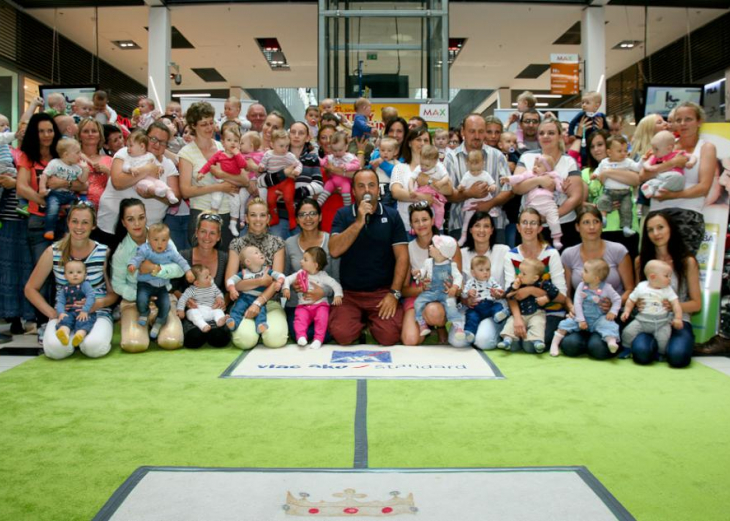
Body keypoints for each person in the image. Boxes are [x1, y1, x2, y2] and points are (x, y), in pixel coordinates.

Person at [25, 202, 116, 359]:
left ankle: (84, 338)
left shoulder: (104, 252)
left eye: (85, 222)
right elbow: (30, 288)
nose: (79, 227)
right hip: (64, 314)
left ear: (93, 226)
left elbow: (114, 294)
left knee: (93, 347)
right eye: (74, 221)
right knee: (56, 350)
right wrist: (52, 313)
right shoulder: (53, 252)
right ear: (68, 223)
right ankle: (69, 337)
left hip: (97, 313)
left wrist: (97, 304)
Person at [328, 169, 408, 346]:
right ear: (354, 191)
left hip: (381, 293)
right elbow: (334, 250)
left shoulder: (392, 216)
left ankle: (372, 322)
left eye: (372, 185)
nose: (367, 190)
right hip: (349, 294)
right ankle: (359, 322)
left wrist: (394, 294)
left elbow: (403, 258)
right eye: (361, 186)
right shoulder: (343, 215)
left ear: (379, 190)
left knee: (389, 337)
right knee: (342, 335)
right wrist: (358, 222)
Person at [559, 205, 635, 359]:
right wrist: (572, 307)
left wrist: (614, 304)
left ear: (602, 225)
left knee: (598, 349)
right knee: (569, 346)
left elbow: (630, 289)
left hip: (609, 316)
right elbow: (566, 294)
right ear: (577, 227)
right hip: (582, 315)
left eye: (596, 221)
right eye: (586, 222)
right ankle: (586, 337)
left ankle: (601, 339)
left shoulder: (618, 250)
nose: (592, 227)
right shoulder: (568, 254)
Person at [627, 210, 701, 368]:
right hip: (648, 320)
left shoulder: (687, 261)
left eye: (660, 227)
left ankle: (673, 346)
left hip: (678, 321)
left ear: (671, 229)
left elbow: (696, 304)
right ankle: (658, 348)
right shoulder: (641, 261)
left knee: (678, 357)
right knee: (640, 353)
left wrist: (673, 306)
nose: (656, 233)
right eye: (650, 230)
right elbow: (637, 294)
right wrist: (638, 304)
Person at [111, 198, 185, 353]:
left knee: (171, 341)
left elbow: (180, 268)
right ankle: (138, 323)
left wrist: (156, 269)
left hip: (163, 296)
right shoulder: (121, 251)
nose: (137, 224)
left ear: (146, 216)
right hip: (134, 302)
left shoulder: (160, 238)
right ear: (124, 222)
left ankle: (158, 323)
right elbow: (117, 285)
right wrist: (138, 295)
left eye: (141, 217)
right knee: (134, 345)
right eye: (131, 219)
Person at [642, 102, 716, 256]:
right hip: (657, 213)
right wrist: (671, 163)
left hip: (687, 214)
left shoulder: (706, 147)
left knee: (683, 266)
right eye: (678, 120)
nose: (683, 124)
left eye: (688, 119)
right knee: (652, 267)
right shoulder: (664, 144)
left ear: (699, 121)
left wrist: (673, 195)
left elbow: (704, 188)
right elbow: (642, 176)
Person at [97, 122, 181, 250]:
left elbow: (175, 198)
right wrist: (147, 169)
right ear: (145, 137)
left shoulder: (168, 165)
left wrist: (153, 194)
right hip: (112, 226)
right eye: (153, 139)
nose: (157, 144)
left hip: (148, 233)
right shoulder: (126, 152)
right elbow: (118, 182)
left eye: (162, 142)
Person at [179, 102, 244, 249]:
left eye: (211, 122)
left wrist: (222, 175)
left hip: (228, 211)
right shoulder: (186, 152)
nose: (209, 128)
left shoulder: (224, 146)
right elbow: (185, 191)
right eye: (203, 124)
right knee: (202, 262)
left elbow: (244, 179)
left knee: (228, 260)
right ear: (193, 126)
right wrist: (219, 187)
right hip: (201, 211)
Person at [226, 197, 288, 349]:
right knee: (245, 341)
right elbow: (230, 282)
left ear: (268, 218)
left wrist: (258, 303)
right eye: (253, 215)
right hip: (243, 302)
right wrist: (260, 281)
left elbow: (276, 283)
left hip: (270, 302)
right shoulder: (237, 243)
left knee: (275, 340)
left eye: (262, 215)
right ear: (246, 218)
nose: (258, 219)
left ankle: (263, 329)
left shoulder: (277, 243)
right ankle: (251, 329)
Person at [503, 208, 568, 351]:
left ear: (539, 228)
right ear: (518, 228)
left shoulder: (551, 254)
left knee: (529, 346)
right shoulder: (511, 255)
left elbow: (562, 297)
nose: (528, 227)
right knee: (513, 345)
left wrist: (531, 290)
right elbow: (510, 294)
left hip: (549, 312)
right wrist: (518, 319)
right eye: (524, 222)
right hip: (522, 312)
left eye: (533, 223)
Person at [511, 118, 582, 248]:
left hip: (563, 225)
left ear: (560, 136)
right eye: (542, 133)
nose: (546, 136)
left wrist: (550, 216)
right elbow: (516, 188)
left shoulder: (569, 161)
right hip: (529, 226)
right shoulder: (527, 157)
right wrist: (539, 180)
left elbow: (575, 197)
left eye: (551, 133)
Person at [400, 202, 461, 346]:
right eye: (416, 221)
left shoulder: (449, 243)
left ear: (433, 220)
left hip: (443, 296)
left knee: (434, 312)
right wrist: (421, 288)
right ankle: (427, 325)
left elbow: (460, 282)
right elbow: (403, 290)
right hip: (419, 296)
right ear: (411, 225)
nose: (421, 224)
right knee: (410, 340)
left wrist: (453, 288)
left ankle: (440, 326)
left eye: (425, 219)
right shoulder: (408, 248)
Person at [444, 114, 511, 243]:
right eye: (472, 131)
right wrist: (469, 193)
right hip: (460, 224)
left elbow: (509, 190)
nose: (476, 136)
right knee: (462, 263)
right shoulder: (451, 158)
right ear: (463, 131)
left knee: (496, 263)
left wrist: (489, 204)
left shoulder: (498, 156)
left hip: (495, 224)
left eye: (480, 131)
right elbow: (447, 194)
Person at [172, 212, 231, 349]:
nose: (207, 237)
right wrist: (185, 300)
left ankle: (216, 327)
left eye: (212, 233)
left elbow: (231, 288)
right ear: (196, 232)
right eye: (203, 231)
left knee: (219, 339)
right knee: (193, 340)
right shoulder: (183, 256)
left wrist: (223, 301)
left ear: (218, 237)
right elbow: (171, 287)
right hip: (193, 312)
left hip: (215, 311)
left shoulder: (225, 258)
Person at [284, 198, 338, 342]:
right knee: (302, 335)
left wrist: (323, 292)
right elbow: (284, 276)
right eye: (302, 214)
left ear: (320, 217)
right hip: (298, 305)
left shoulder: (331, 240)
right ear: (297, 219)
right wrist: (293, 286)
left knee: (326, 335)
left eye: (312, 213)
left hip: (325, 304)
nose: (308, 218)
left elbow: (338, 279)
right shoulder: (289, 243)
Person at [127, 222, 194, 339]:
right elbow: (137, 258)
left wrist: (188, 271)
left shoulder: (170, 251)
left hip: (161, 286)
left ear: (168, 240)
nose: (160, 243)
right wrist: (132, 265)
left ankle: (159, 322)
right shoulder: (145, 249)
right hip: (145, 284)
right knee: (141, 299)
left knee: (165, 305)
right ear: (148, 239)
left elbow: (181, 261)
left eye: (164, 240)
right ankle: (144, 313)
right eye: (156, 239)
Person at [581, 130, 641, 254]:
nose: (596, 149)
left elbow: (636, 180)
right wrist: (596, 207)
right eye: (592, 146)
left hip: (626, 227)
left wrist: (607, 173)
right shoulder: (585, 173)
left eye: (600, 144)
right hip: (598, 231)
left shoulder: (626, 165)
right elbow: (581, 203)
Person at [550, 258, 621, 357]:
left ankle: (611, 342)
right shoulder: (581, 286)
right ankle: (554, 344)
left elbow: (617, 299)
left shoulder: (607, 288)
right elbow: (577, 303)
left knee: (609, 325)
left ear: (596, 278)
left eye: (585, 271)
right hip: (582, 316)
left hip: (598, 318)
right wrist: (581, 320)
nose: (581, 273)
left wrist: (613, 311)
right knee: (565, 324)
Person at [460, 212, 510, 350]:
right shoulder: (461, 253)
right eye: (477, 226)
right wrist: (466, 300)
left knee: (483, 342)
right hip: (470, 309)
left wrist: (501, 294)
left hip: (495, 307)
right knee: (458, 341)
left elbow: (511, 287)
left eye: (486, 226)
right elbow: (458, 289)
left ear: (492, 230)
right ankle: (472, 330)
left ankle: (497, 329)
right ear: (470, 229)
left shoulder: (504, 251)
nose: (481, 230)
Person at [498, 258, 564, 353]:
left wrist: (546, 298)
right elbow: (507, 296)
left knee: (538, 323)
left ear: (535, 278)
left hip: (536, 313)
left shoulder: (543, 284)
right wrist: (513, 288)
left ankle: (537, 341)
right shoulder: (517, 284)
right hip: (520, 313)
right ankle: (507, 340)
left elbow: (555, 292)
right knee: (510, 323)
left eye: (523, 274)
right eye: (520, 272)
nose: (519, 275)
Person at [621, 259, 684, 358]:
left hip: (662, 322)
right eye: (666, 276)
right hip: (641, 320)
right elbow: (631, 300)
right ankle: (626, 349)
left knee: (663, 339)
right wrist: (626, 311)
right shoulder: (641, 287)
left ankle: (660, 353)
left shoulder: (668, 290)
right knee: (627, 332)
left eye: (670, 276)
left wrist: (678, 318)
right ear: (653, 277)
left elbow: (676, 304)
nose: (670, 279)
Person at [283, 245, 343, 349]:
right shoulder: (300, 273)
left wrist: (338, 295)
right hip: (303, 306)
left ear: (315, 265)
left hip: (321, 306)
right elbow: (287, 279)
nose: (301, 261)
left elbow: (336, 285)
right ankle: (301, 336)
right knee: (299, 320)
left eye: (305, 259)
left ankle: (318, 339)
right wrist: (286, 288)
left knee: (322, 319)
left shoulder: (323, 276)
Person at [412, 234, 466, 342]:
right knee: (418, 302)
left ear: (442, 253)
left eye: (434, 246)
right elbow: (423, 272)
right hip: (431, 291)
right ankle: (422, 323)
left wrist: (454, 287)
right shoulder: (428, 262)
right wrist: (419, 274)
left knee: (451, 306)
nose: (430, 247)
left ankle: (458, 326)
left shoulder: (452, 265)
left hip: (445, 292)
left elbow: (458, 277)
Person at [503, 153, 563, 249]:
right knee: (530, 223)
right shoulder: (530, 174)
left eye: (539, 166)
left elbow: (559, 186)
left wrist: (562, 187)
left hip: (548, 204)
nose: (535, 167)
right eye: (534, 165)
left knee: (554, 221)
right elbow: (519, 178)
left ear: (547, 168)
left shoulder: (552, 175)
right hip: (533, 204)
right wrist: (509, 179)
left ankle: (557, 239)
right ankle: (528, 242)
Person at [197, 125, 248, 236]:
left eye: (235, 141)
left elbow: (243, 165)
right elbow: (209, 164)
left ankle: (233, 223)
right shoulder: (219, 154)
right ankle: (213, 216)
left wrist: (237, 154)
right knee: (216, 198)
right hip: (220, 182)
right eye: (229, 140)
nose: (232, 143)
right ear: (223, 142)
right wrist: (201, 172)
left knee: (236, 203)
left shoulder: (238, 156)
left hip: (233, 185)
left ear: (239, 143)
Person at [225, 245, 285, 333]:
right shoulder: (243, 273)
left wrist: (279, 282)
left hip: (259, 298)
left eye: (260, 252)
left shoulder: (267, 270)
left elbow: (280, 275)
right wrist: (232, 290)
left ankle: (260, 325)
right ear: (248, 261)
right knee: (237, 309)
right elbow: (230, 280)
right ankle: (233, 323)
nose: (260, 254)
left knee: (261, 312)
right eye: (256, 253)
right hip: (244, 297)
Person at [591, 135, 641, 237]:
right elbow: (598, 171)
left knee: (626, 209)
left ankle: (626, 226)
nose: (623, 153)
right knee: (602, 201)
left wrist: (608, 173)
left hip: (625, 193)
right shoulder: (603, 163)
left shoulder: (628, 162)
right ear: (609, 152)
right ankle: (603, 218)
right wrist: (596, 174)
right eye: (619, 151)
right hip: (608, 193)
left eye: (625, 150)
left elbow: (638, 173)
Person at [40, 139, 89, 240]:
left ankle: (67, 232)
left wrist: (85, 169)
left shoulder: (76, 167)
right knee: (52, 208)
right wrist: (42, 188)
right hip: (55, 193)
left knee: (73, 213)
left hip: (69, 195)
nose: (80, 155)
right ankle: (49, 230)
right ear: (66, 154)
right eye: (77, 152)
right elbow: (44, 175)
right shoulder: (55, 163)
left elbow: (83, 180)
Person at [390, 127, 434, 229]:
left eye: (426, 140)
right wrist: (424, 198)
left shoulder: (438, 167)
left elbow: (447, 191)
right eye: (418, 139)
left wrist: (430, 181)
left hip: (433, 228)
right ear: (409, 143)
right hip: (406, 227)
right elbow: (396, 192)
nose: (422, 143)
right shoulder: (399, 168)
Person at [462, 255, 507, 343]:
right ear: (473, 272)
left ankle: (498, 315)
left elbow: (499, 289)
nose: (485, 272)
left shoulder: (491, 280)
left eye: (488, 269)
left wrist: (497, 292)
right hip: (476, 307)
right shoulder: (470, 282)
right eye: (481, 270)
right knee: (471, 316)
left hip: (489, 304)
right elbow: (463, 294)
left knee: (498, 305)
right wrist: (468, 293)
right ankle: (470, 333)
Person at [53, 259, 96, 347]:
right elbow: (60, 302)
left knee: (84, 321)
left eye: (79, 272)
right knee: (65, 320)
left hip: (83, 311)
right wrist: (61, 313)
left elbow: (91, 297)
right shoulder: (64, 288)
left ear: (85, 275)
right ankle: (64, 332)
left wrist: (85, 310)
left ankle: (80, 334)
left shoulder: (85, 285)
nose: (75, 275)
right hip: (69, 312)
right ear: (65, 276)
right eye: (71, 272)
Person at [640, 130, 694, 198]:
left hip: (673, 179)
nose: (653, 152)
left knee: (679, 179)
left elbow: (691, 156)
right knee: (660, 180)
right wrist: (649, 167)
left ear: (669, 148)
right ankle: (651, 187)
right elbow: (646, 164)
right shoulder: (656, 157)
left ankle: (656, 188)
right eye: (653, 148)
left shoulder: (677, 154)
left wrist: (691, 162)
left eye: (656, 149)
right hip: (663, 176)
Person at [410, 144, 451, 231]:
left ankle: (437, 227)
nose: (423, 167)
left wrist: (441, 182)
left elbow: (446, 177)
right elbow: (411, 179)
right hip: (422, 192)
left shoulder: (439, 167)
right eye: (422, 164)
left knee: (440, 211)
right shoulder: (418, 168)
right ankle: (414, 228)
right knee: (418, 211)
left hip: (436, 195)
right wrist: (411, 189)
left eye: (427, 165)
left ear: (435, 161)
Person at [176, 264, 227, 333]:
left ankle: (219, 320)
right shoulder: (192, 290)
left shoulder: (212, 286)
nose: (210, 278)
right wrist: (180, 310)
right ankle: (203, 325)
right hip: (198, 310)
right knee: (191, 312)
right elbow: (183, 299)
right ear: (197, 283)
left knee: (219, 311)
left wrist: (219, 298)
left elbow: (219, 293)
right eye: (206, 277)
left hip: (211, 309)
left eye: (210, 274)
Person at [318, 130, 358, 208]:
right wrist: (319, 160)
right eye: (334, 150)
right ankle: (317, 205)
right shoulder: (330, 156)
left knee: (346, 192)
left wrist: (347, 166)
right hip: (332, 181)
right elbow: (323, 162)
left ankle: (347, 209)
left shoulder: (349, 157)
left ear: (346, 147)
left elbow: (357, 165)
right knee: (325, 191)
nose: (337, 153)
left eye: (340, 150)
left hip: (344, 181)